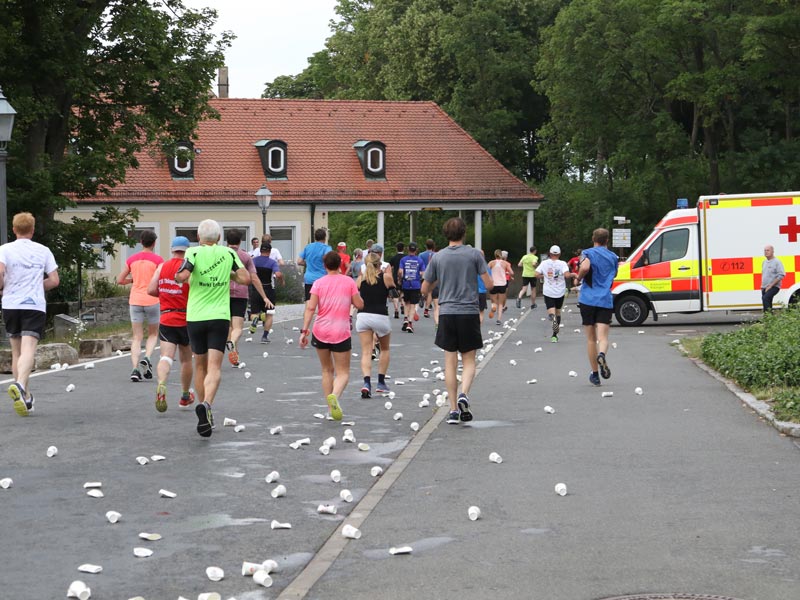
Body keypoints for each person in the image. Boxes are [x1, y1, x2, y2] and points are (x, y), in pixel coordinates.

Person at [175, 219, 250, 437]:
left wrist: (181, 276)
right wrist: (230, 274)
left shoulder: (193, 253)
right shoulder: (228, 253)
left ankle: (204, 410)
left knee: (200, 366)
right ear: (219, 238)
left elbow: (182, 275)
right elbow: (245, 278)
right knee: (215, 367)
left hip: (195, 316)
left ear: (198, 238)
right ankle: (207, 404)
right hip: (219, 317)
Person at [421, 217, 493, 425]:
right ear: (464, 233)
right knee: (469, 360)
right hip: (469, 311)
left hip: (447, 313)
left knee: (450, 362)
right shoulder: (474, 254)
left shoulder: (438, 257)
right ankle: (464, 393)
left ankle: (453, 410)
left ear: (446, 234)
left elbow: (425, 288)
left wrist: (439, 279)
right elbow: (489, 284)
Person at [0, 212, 59, 416]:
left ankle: (25, 397)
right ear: (32, 230)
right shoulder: (43, 251)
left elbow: (0, 273)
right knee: (28, 350)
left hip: (11, 304)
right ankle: (20, 385)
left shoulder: (4, 250)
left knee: (16, 352)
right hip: (33, 305)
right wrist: (36, 285)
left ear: (14, 229)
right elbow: (54, 280)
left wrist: (2, 288)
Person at [298, 251, 364, 420]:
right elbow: (359, 304)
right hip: (340, 331)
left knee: (326, 370)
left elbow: (311, 308)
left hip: (320, 330)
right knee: (343, 373)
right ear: (340, 264)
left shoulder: (318, 283)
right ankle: (335, 395)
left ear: (325, 265)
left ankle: (329, 409)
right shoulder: (348, 282)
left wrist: (304, 331)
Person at [146, 236, 194, 412]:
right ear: (187, 250)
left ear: (173, 249)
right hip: (186, 317)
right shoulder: (189, 268)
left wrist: (166, 294)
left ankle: (161, 384)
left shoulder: (162, 266)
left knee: (166, 356)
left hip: (167, 317)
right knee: (186, 359)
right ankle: (185, 396)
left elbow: (151, 289)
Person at [118, 230, 163, 382]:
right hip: (152, 300)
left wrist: (132, 280)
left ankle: (135, 368)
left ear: (141, 242)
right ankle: (147, 357)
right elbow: (160, 280)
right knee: (153, 334)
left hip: (135, 300)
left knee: (137, 337)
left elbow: (120, 280)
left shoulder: (131, 259)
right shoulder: (158, 260)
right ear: (154, 243)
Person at [576, 228, 619, 386]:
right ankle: (602, 354)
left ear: (593, 239)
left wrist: (578, 278)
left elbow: (585, 267)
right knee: (603, 338)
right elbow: (614, 275)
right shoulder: (613, 257)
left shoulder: (587, 253)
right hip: (605, 300)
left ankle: (595, 375)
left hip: (587, 299)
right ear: (607, 240)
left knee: (590, 339)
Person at [225, 229, 268, 367]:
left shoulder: (221, 254)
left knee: (228, 326)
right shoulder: (245, 256)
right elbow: (254, 278)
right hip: (240, 294)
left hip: (223, 293)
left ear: (226, 241)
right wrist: (264, 296)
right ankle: (233, 345)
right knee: (237, 327)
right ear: (240, 241)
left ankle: (234, 353)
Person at [355, 251, 395, 398]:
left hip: (363, 316)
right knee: (384, 349)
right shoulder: (385, 277)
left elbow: (356, 296)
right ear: (380, 264)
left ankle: (366, 383)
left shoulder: (360, 279)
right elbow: (394, 294)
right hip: (380, 316)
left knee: (366, 351)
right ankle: (381, 382)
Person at [535, 245, 577, 343]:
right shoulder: (562, 263)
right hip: (560, 291)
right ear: (559, 254)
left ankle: (551, 315)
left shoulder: (544, 263)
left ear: (550, 254)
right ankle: (554, 335)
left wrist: (545, 276)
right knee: (558, 312)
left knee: (551, 310)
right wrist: (573, 274)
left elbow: (536, 274)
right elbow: (566, 275)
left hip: (548, 291)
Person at [249, 242, 280, 343]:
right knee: (269, 314)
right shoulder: (272, 262)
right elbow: (278, 274)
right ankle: (265, 336)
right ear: (270, 252)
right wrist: (282, 279)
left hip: (255, 289)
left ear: (260, 251)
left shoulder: (253, 261)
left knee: (254, 312)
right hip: (268, 289)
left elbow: (249, 273)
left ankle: (255, 319)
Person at [297, 228, 332, 302]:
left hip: (309, 279)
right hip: (322, 279)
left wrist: (308, 263)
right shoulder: (327, 248)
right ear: (325, 237)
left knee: (309, 301)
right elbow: (329, 259)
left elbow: (299, 261)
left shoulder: (308, 247)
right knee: (323, 302)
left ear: (315, 237)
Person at [398, 242, 424, 333]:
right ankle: (410, 323)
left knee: (406, 302)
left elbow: (400, 271)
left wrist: (400, 279)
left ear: (408, 249)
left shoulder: (403, 259)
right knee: (413, 304)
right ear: (416, 250)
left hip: (406, 284)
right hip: (416, 284)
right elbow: (422, 273)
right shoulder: (420, 260)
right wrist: (419, 278)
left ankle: (405, 318)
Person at [487, 249, 513, 325]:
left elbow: (486, 271)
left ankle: (493, 307)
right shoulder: (505, 263)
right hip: (502, 284)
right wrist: (508, 274)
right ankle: (498, 319)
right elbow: (512, 272)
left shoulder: (491, 263)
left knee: (493, 301)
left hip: (493, 284)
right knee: (501, 303)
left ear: (494, 255)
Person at [761, 244, 785, 314]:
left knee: (765, 298)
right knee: (767, 303)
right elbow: (764, 275)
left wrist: (771, 285)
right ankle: (768, 318)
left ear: (772, 251)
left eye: (768, 250)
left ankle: (769, 316)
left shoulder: (777, 262)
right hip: (764, 287)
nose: (766, 252)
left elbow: (781, 275)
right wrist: (762, 286)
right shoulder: (764, 262)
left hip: (774, 286)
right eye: (765, 250)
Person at [418, 239, 436, 318]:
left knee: (424, 289)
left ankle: (422, 295)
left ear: (426, 246)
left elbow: (419, 264)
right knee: (430, 292)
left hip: (424, 274)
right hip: (433, 274)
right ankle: (426, 310)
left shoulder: (421, 255)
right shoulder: (436, 255)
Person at [388, 242, 405, 319]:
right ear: (403, 248)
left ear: (396, 249)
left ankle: (396, 310)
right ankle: (402, 304)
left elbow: (390, 267)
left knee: (395, 294)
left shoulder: (394, 258)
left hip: (395, 277)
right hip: (404, 277)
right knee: (402, 292)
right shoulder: (405, 257)